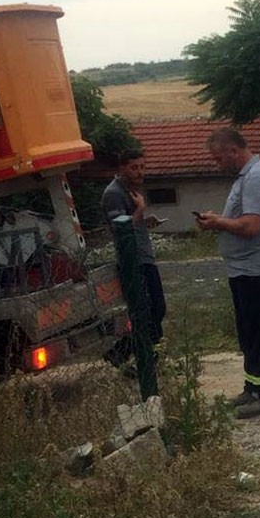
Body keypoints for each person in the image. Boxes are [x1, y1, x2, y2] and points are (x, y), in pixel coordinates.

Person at [196, 127, 260, 419]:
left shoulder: (257, 177)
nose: (217, 164)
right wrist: (219, 219)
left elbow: (250, 226)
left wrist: (219, 223)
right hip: (243, 268)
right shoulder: (245, 177)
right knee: (247, 332)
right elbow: (241, 219)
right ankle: (252, 387)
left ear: (234, 151)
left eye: (219, 158)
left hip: (257, 269)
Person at [101, 149, 167, 372]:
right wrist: (140, 209)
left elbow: (133, 223)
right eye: (134, 167)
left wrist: (145, 220)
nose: (140, 172)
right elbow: (122, 228)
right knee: (149, 310)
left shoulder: (131, 190)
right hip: (133, 261)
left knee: (155, 309)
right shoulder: (114, 194)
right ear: (122, 169)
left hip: (144, 256)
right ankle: (124, 354)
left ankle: (152, 360)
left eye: (142, 167)